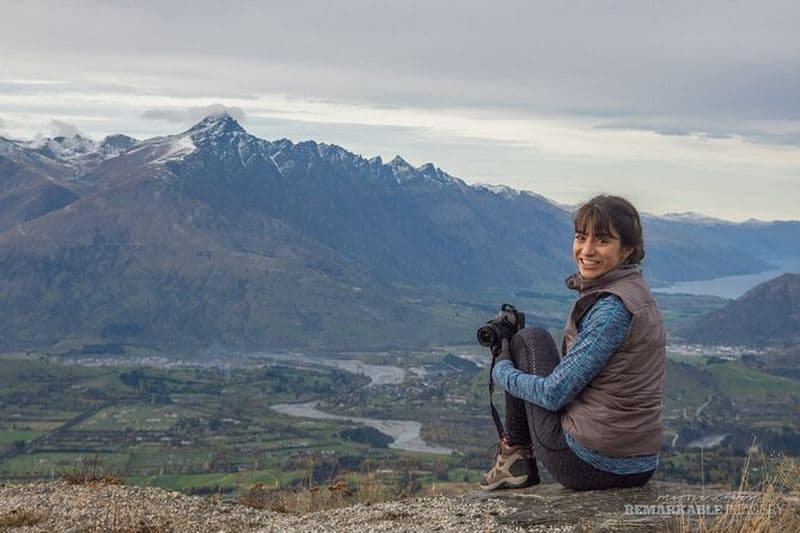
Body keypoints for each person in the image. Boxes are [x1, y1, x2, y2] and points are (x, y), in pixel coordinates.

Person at [481, 194, 666, 491]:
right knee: (531, 340)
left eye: (602, 241)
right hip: (639, 463)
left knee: (527, 341)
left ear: (627, 249)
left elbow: (554, 394)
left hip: (591, 465)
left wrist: (501, 369)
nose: (587, 250)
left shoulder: (612, 310)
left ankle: (514, 460)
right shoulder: (635, 291)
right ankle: (514, 459)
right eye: (581, 237)